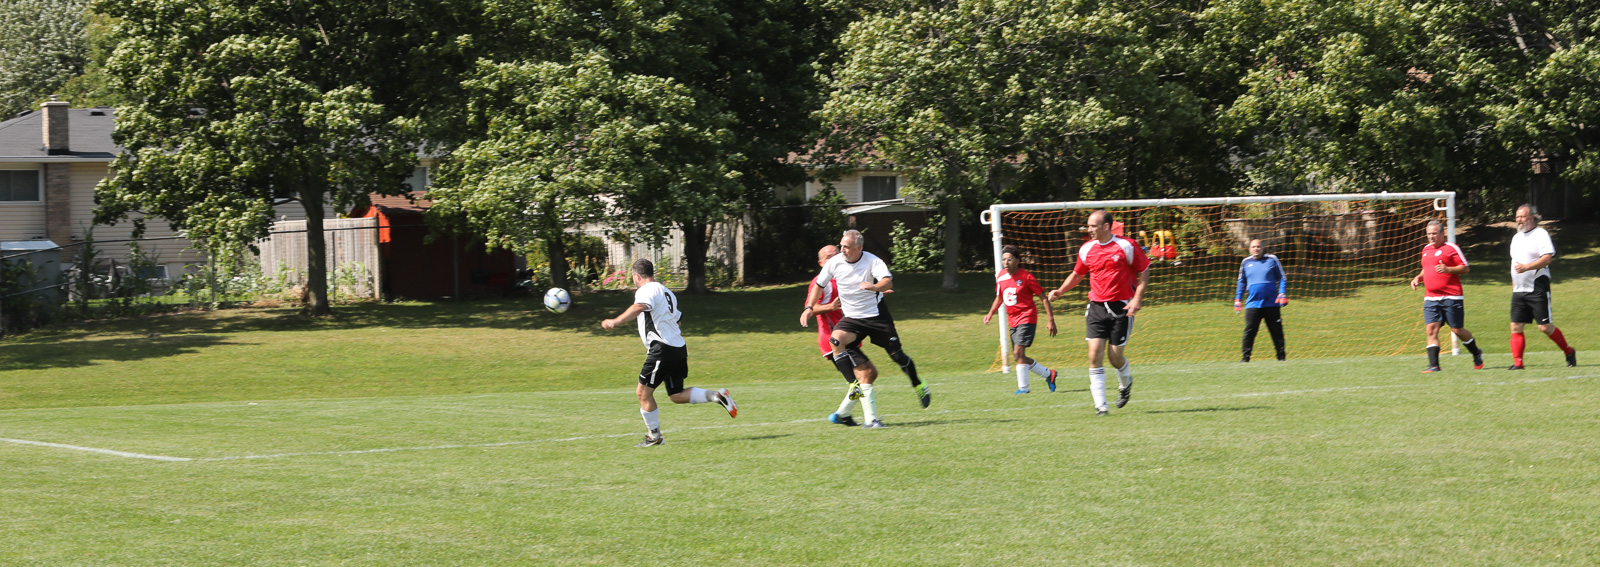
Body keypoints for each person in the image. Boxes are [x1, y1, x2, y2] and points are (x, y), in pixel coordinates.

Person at [601, 258, 737, 447]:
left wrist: (615, 321)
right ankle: (717, 396)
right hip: (678, 348)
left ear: (636, 275)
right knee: (676, 394)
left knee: (642, 393)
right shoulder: (667, 292)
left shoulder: (646, 290)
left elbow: (639, 307)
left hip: (661, 349)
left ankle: (655, 437)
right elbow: (678, 321)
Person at [801, 229, 929, 429]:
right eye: (840, 247)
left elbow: (886, 281)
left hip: (877, 318)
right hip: (851, 321)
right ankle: (865, 410)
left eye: (845, 247)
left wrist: (876, 288)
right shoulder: (833, 267)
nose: (841, 251)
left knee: (895, 358)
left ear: (859, 248)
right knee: (840, 345)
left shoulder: (872, 261)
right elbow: (818, 286)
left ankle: (918, 384)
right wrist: (809, 308)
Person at [1047, 210, 1150, 416]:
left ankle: (1125, 383)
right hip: (1096, 307)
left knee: (1115, 358)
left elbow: (1144, 270)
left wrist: (1137, 299)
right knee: (1094, 355)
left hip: (1122, 308)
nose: (1089, 229)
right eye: (1088, 225)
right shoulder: (1087, 248)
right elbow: (1078, 274)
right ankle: (1101, 406)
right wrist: (1060, 291)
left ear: (1106, 226)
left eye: (1093, 226)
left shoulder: (1126, 245)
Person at [799, 244, 864, 426]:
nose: (834, 258)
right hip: (833, 339)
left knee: (863, 378)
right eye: (829, 257)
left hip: (849, 336)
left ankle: (842, 414)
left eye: (836, 254)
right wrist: (830, 307)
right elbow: (810, 308)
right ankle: (869, 419)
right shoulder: (821, 282)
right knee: (866, 375)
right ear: (821, 263)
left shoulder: (847, 276)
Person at [1409, 220, 1486, 372]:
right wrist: (1419, 277)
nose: (1431, 236)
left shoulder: (1451, 248)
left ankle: (1476, 352)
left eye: (1434, 233)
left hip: (1452, 297)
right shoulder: (1425, 249)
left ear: (1442, 233)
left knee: (1457, 330)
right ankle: (1434, 366)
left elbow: (1465, 268)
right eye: (1429, 234)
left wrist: (1448, 269)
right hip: (1431, 297)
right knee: (1431, 330)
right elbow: (1427, 268)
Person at [1507, 205, 1577, 370]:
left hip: (1537, 287)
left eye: (1522, 216)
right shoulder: (1516, 238)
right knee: (1516, 326)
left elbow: (1546, 259)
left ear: (1531, 217)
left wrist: (1526, 267)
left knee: (1544, 327)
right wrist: (1514, 284)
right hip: (1519, 290)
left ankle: (1568, 351)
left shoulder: (1541, 234)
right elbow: (1514, 262)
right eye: (1517, 217)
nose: (1519, 220)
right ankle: (1518, 363)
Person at [983, 245, 1059, 394]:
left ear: (1018, 261)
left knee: (1018, 353)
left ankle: (1024, 388)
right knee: (1019, 356)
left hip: (1027, 317)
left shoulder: (1026, 277)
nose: (1006, 263)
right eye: (1004, 259)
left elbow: (1043, 298)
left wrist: (1051, 319)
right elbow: (999, 297)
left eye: (1009, 259)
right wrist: (990, 313)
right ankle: (1048, 374)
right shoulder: (1001, 276)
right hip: (1013, 320)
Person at [1234, 239, 1289, 362]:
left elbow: (1282, 278)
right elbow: (1241, 282)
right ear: (1249, 249)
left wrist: (1282, 293)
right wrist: (1238, 299)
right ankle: (1245, 359)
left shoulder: (1272, 259)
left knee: (1276, 331)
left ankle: (1281, 358)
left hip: (1271, 303)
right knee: (1249, 331)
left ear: (1263, 248)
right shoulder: (1246, 262)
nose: (1256, 249)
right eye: (1253, 247)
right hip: (1252, 304)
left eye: (1258, 246)